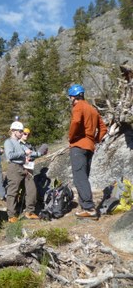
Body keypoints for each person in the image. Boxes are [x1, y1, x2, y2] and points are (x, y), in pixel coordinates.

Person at [68, 84, 107, 218]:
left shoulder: (78, 106)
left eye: (70, 97)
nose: (70, 100)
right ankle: (84, 206)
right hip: (90, 147)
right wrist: (96, 139)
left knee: (79, 177)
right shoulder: (93, 109)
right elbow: (103, 129)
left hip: (78, 146)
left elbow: (76, 121)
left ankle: (89, 208)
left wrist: (71, 137)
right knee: (84, 176)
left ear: (74, 97)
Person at [4, 121, 39, 223]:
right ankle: (11, 215)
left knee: (31, 189)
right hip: (14, 167)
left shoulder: (20, 143)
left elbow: (27, 154)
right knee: (13, 191)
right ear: (13, 131)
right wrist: (23, 152)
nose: (22, 133)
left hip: (23, 167)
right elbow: (10, 155)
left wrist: (37, 154)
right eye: (20, 131)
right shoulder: (8, 142)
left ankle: (30, 211)